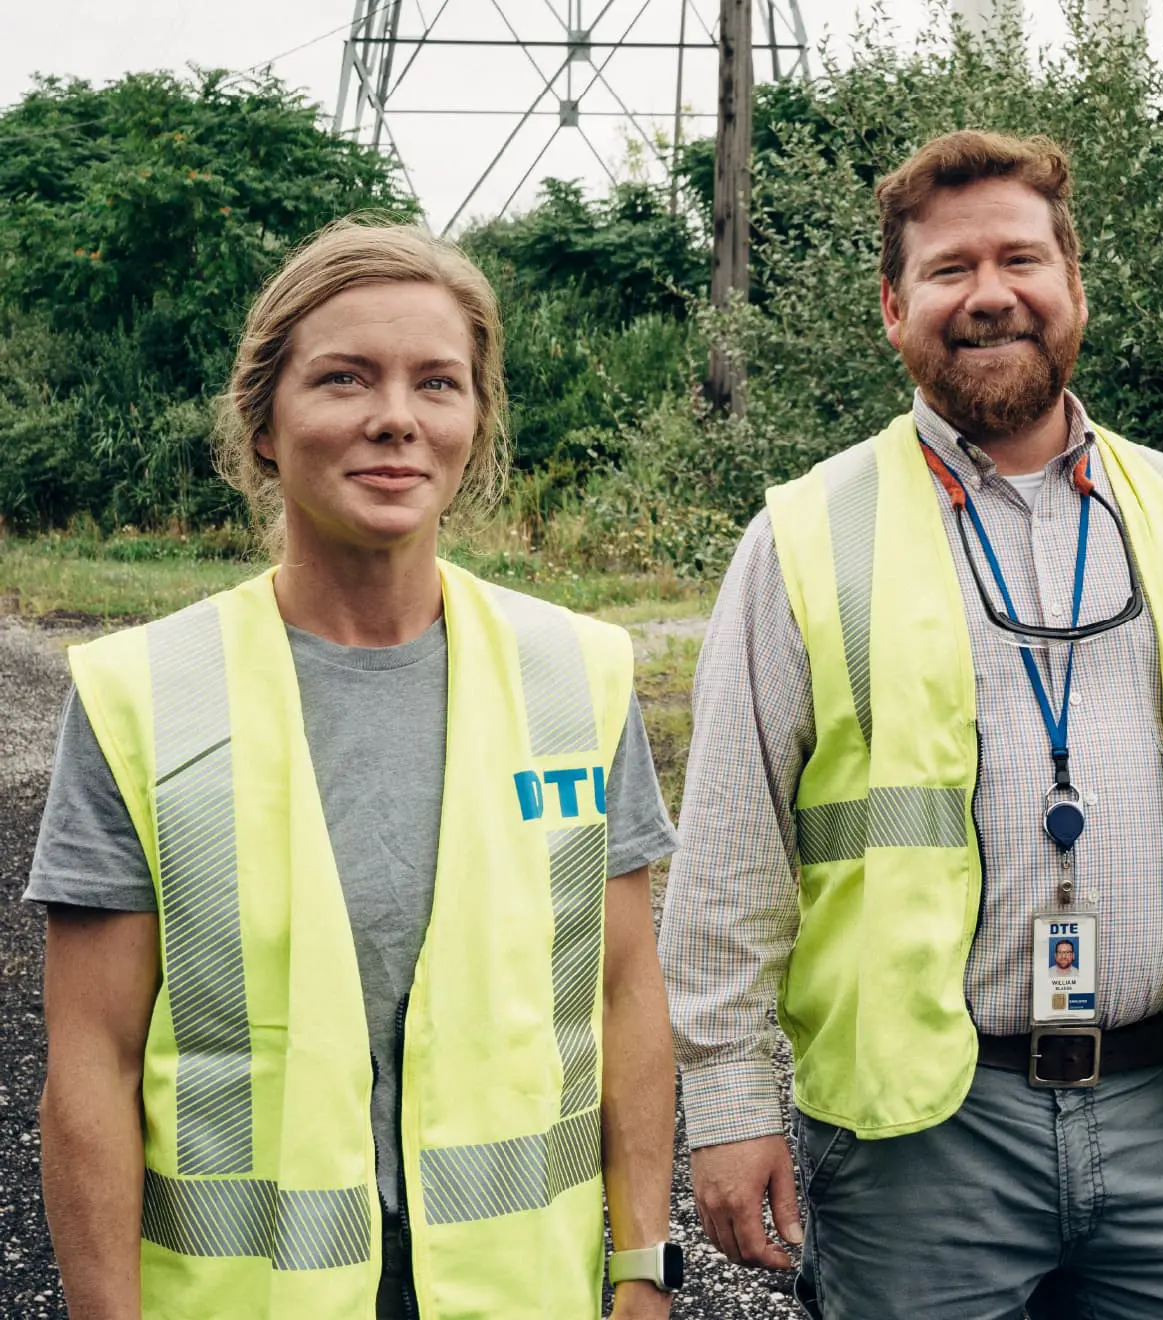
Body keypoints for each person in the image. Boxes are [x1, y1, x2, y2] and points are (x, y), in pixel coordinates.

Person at [660, 130, 1163, 1318]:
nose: (989, 294)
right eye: (947, 270)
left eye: (1020, 260)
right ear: (893, 308)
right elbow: (730, 850)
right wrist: (730, 1104)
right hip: (919, 1137)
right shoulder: (801, 535)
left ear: (1072, 290)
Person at [29, 220, 681, 1320]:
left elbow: (621, 992)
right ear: (265, 422)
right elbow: (91, 1059)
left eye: (438, 381)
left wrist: (642, 1267)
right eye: (344, 377)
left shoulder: (576, 675)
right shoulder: (144, 693)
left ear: (475, 420)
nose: (396, 416)